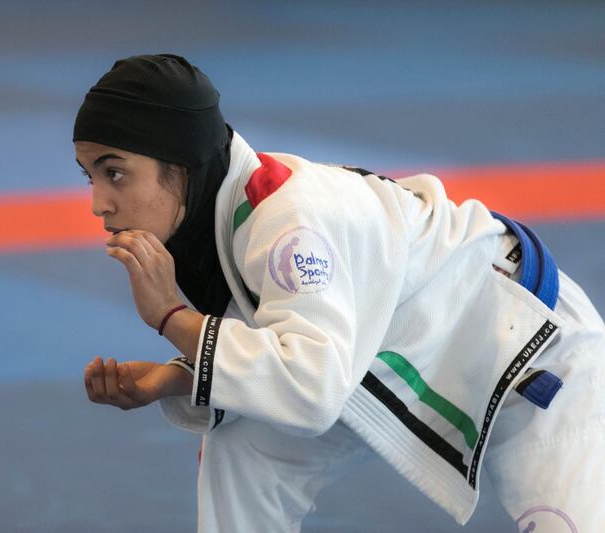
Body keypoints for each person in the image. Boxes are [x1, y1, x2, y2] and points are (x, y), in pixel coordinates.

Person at [74, 54, 605, 532]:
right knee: (243, 449)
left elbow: (307, 388)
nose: (99, 202)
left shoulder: (289, 221)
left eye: (115, 172)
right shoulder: (222, 211)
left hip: (530, 355)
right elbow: (284, 339)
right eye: (89, 176)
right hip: (385, 356)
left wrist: (171, 315)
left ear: (182, 163)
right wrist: (174, 377)